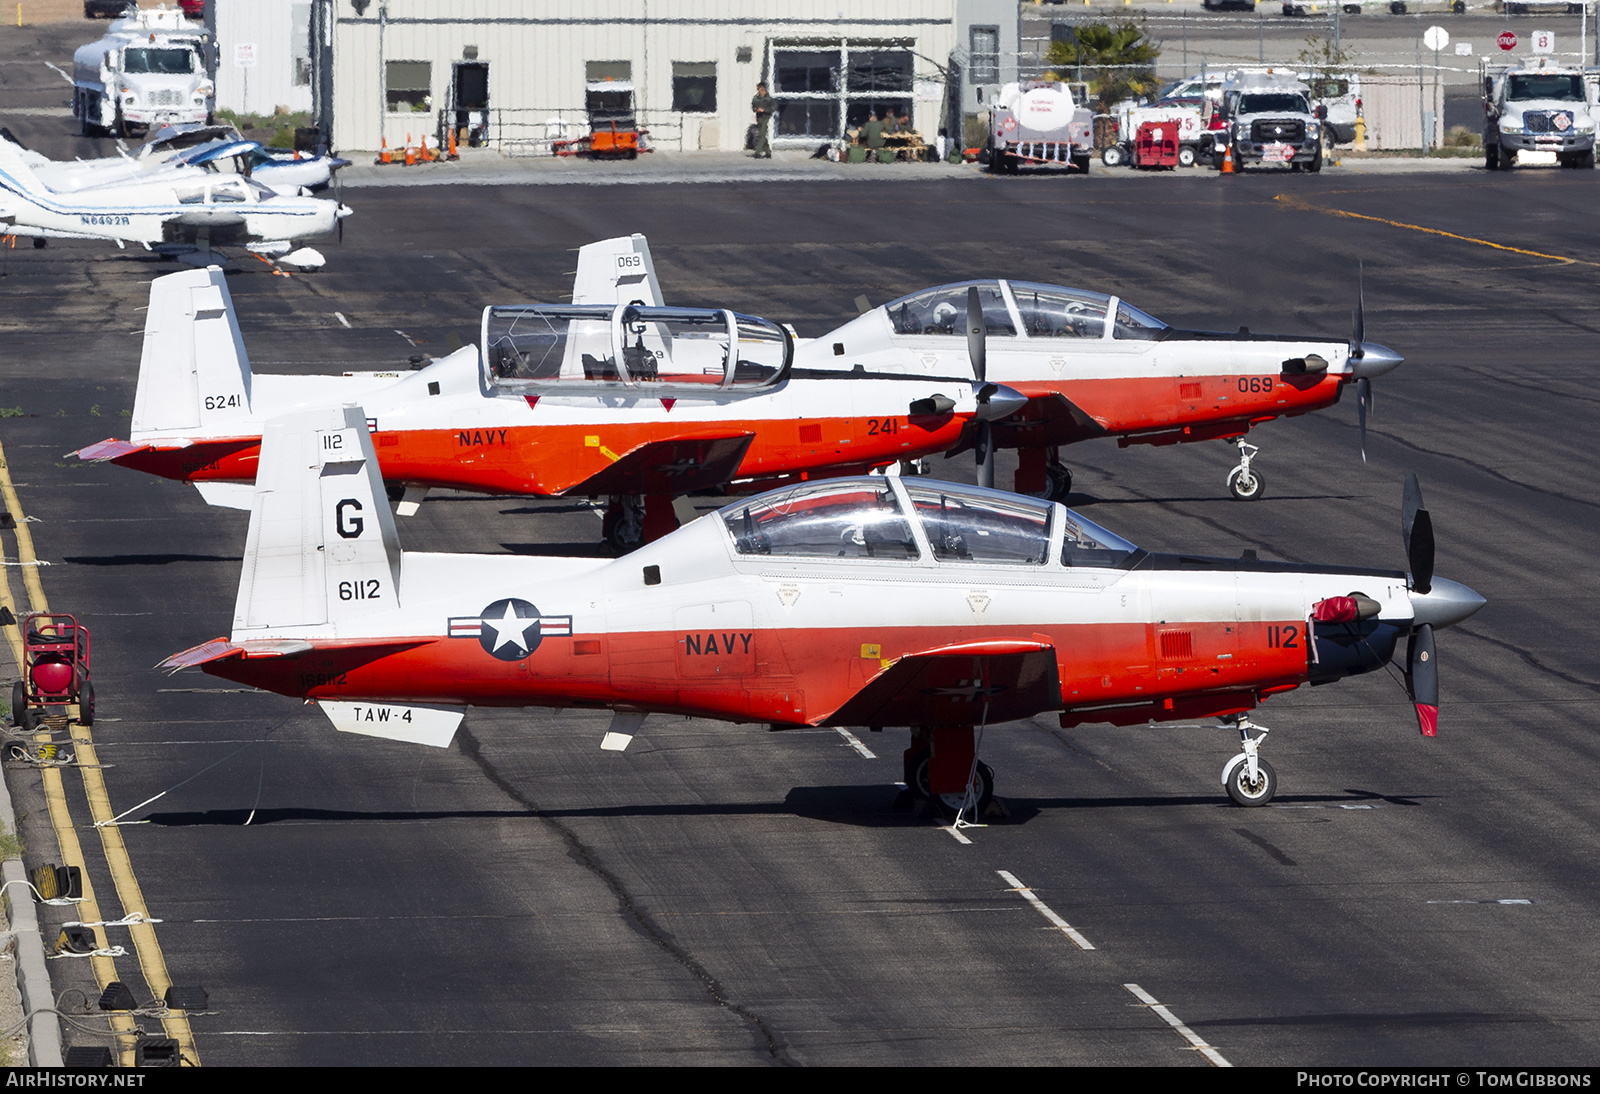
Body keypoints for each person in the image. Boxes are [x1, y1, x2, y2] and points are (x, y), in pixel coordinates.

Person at [751, 82, 775, 158]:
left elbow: (773, 108)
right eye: (758, 89)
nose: (759, 90)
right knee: (763, 134)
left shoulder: (769, 99)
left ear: (763, 89)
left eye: (760, 89)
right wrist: (756, 109)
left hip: (766, 117)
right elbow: (753, 106)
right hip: (759, 117)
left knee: (761, 134)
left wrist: (764, 110)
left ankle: (757, 152)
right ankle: (768, 152)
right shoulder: (756, 98)